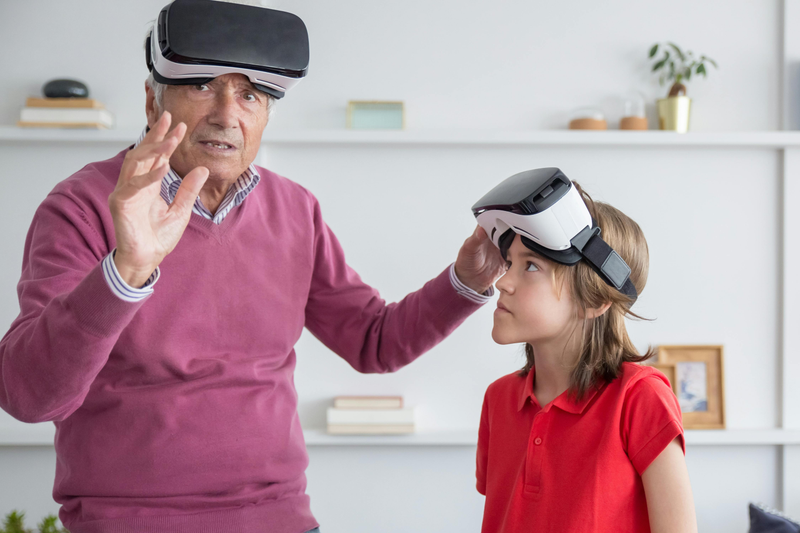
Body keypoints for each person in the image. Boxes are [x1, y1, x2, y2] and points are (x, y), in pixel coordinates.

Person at [0, 3, 505, 532]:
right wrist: (126, 271)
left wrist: (465, 283)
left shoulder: (295, 209)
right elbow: (31, 397)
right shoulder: (82, 207)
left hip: (281, 519)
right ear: (152, 102)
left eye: (250, 94)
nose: (227, 113)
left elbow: (373, 341)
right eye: (201, 86)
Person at [475, 181, 697, 532]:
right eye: (508, 262)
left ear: (594, 300)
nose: (503, 282)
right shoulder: (498, 400)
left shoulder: (640, 398)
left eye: (530, 266)